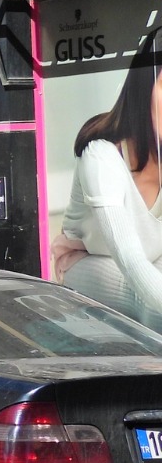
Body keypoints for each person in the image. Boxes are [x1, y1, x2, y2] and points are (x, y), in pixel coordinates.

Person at [55, 28, 162, 330]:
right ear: (145, 90)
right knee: (148, 305)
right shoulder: (102, 156)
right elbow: (131, 262)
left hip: (150, 264)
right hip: (85, 265)